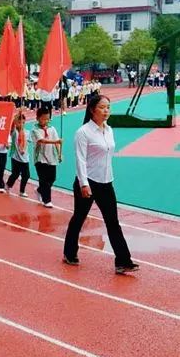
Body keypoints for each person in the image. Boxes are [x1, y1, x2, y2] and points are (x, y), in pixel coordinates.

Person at [63, 95, 139, 274]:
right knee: (79, 219)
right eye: (102, 107)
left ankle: (123, 261)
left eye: (108, 107)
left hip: (106, 182)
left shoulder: (109, 130)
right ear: (92, 109)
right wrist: (84, 184)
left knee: (113, 222)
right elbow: (80, 160)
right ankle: (69, 252)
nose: (106, 111)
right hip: (87, 182)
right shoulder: (83, 132)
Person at [32, 108, 61, 207]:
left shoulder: (52, 129)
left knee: (52, 178)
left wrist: (59, 154)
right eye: (43, 119)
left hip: (51, 157)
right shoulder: (35, 129)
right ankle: (47, 200)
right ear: (37, 118)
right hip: (40, 158)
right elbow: (41, 140)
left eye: (48, 119)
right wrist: (55, 142)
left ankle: (40, 190)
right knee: (43, 179)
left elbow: (57, 141)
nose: (46, 121)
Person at [6, 113, 30, 197]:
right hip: (16, 158)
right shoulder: (14, 132)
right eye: (19, 122)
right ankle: (8, 185)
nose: (21, 124)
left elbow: (27, 142)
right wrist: (16, 116)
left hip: (25, 158)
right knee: (15, 174)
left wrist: (23, 148)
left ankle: (22, 191)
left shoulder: (27, 132)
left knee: (26, 175)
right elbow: (12, 126)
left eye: (23, 123)